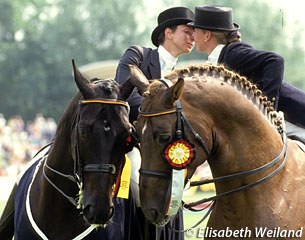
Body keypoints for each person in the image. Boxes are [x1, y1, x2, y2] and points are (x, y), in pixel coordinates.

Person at [115, 6, 195, 240]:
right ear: (168, 32)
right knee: (137, 188)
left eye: (194, 33)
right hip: (136, 143)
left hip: (169, 148)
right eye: (187, 31)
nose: (193, 37)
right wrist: (161, 110)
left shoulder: (188, 73)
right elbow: (125, 96)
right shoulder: (138, 56)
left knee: (177, 191)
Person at [189, 5, 305, 142]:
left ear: (207, 35)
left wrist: (266, 108)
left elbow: (275, 60)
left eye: (195, 31)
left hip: (294, 117)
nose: (192, 36)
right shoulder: (218, 60)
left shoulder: (233, 53)